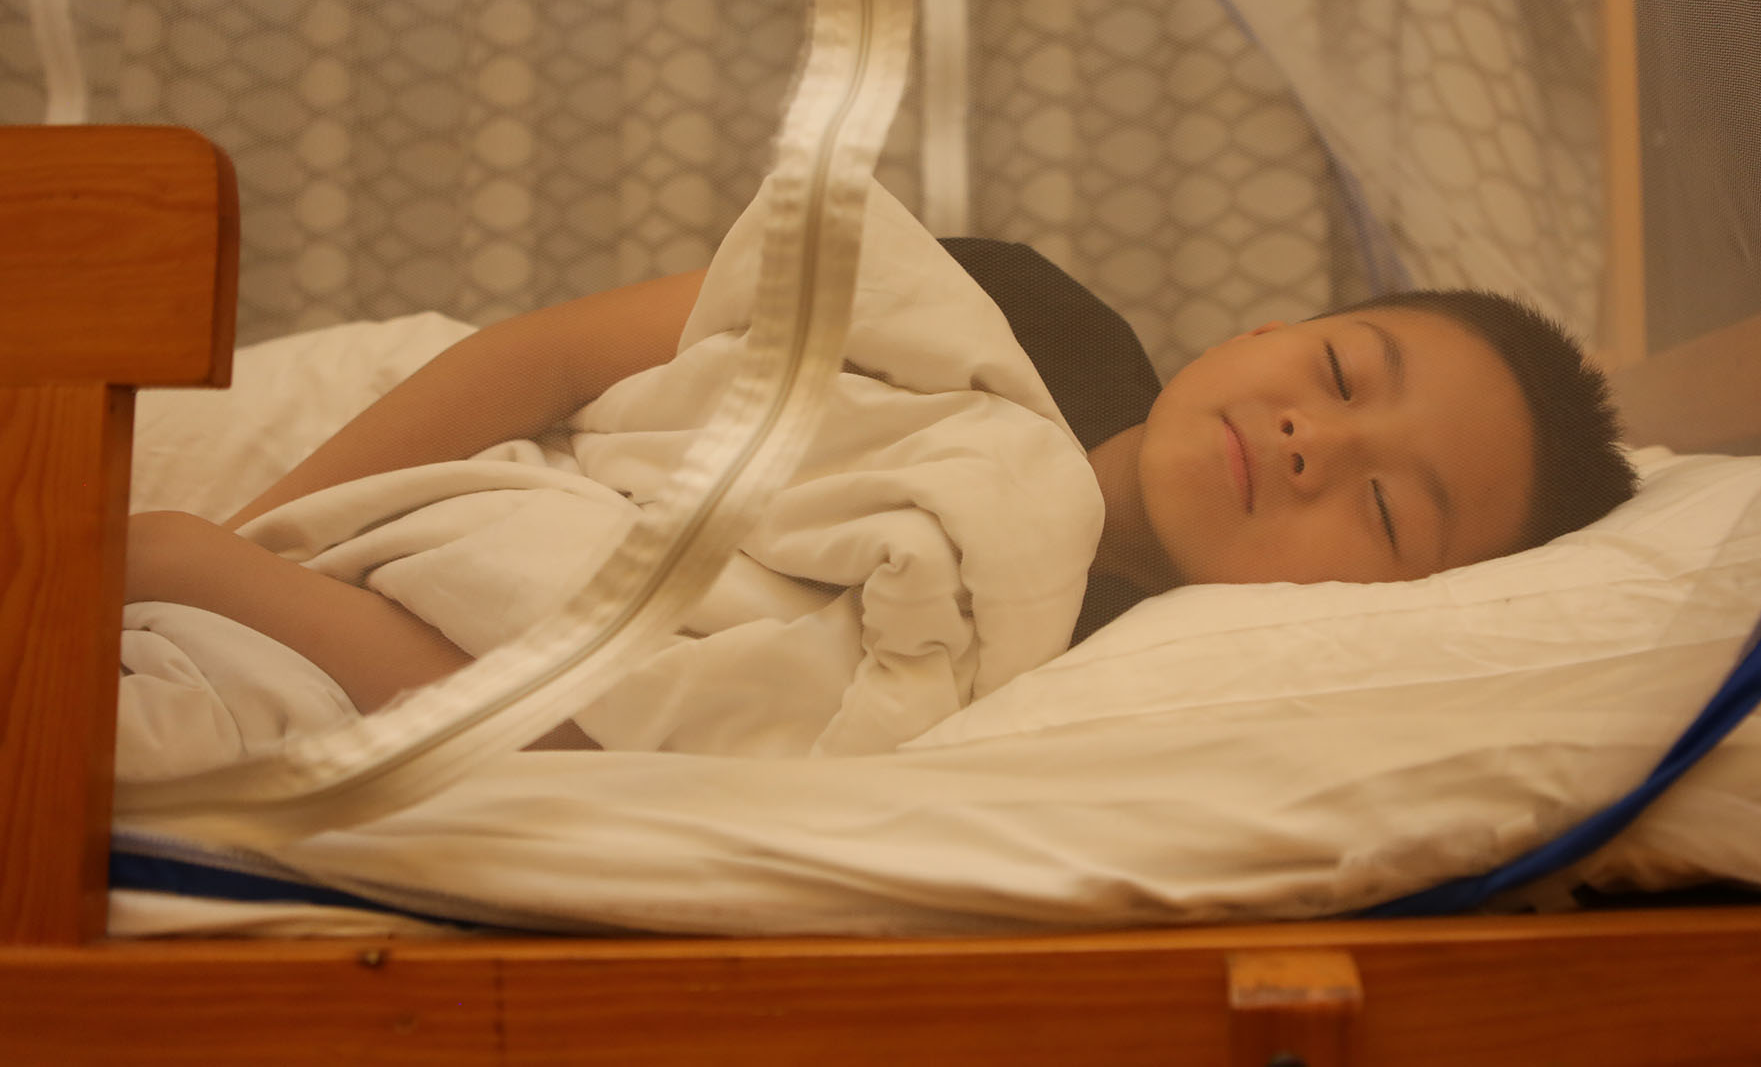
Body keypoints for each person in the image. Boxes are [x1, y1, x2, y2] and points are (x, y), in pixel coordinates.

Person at [124, 238, 1637, 738]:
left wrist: (216, 576)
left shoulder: (1082, 680)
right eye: (1343, 370)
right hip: (441, 436)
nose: (1316, 441)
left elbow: (633, 719)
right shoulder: (1013, 309)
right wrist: (270, 529)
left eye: (1387, 510)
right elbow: (568, 352)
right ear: (1270, 328)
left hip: (429, 632)